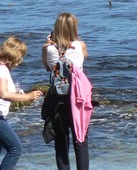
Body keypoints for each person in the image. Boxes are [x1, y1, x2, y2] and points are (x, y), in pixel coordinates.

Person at [41, 12, 90, 170]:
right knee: (80, 141)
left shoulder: (47, 49)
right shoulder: (79, 45)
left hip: (57, 98)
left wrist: (49, 43)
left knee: (61, 143)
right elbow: (85, 56)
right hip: (77, 99)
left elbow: (47, 67)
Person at [0, 36, 43, 169]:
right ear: (16, 55)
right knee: (15, 149)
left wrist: (18, 95)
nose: (21, 60)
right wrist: (28, 97)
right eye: (21, 56)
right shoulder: (2, 70)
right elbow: (3, 94)